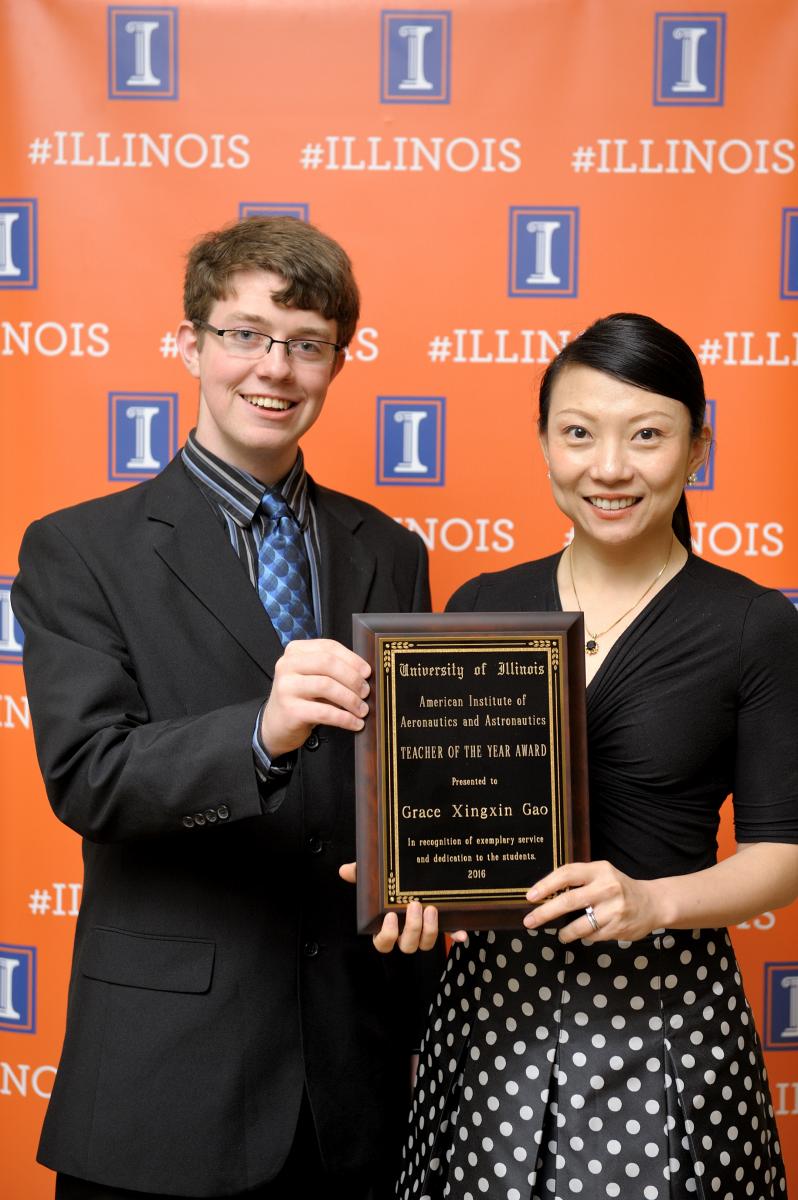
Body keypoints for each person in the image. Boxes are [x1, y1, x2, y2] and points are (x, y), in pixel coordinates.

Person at [12, 216, 442, 1200]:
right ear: (191, 343)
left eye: (305, 344)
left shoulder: (391, 549)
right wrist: (262, 730)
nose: (274, 369)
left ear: (341, 360)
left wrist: (427, 882)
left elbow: (405, 782)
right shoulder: (80, 549)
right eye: (245, 334)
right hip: (167, 1079)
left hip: (353, 1078)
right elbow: (90, 778)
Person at [370, 313, 798, 1199]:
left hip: (666, 1014)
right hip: (489, 1016)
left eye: (647, 435)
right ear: (544, 445)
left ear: (696, 450)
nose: (609, 468)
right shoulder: (483, 603)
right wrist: (402, 882)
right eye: (578, 434)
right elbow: (442, 813)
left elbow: (785, 854)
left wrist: (654, 901)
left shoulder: (754, 623)